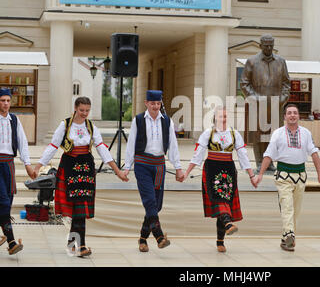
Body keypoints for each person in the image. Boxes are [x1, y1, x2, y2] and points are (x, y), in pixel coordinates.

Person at [34, 96, 128, 257]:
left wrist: (117, 171)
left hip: (86, 169)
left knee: (80, 207)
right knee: (78, 207)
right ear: (75, 108)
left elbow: (102, 149)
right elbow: (53, 146)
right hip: (69, 167)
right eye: (82, 110)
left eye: (87, 110)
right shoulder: (65, 125)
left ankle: (76, 244)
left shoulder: (91, 126)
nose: (84, 113)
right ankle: (80, 245)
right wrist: (38, 165)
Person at [180, 106, 255, 253]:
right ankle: (227, 224)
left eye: (225, 117)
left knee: (225, 200)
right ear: (215, 118)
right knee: (219, 199)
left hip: (228, 170)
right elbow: (198, 155)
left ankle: (220, 240)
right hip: (212, 170)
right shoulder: (208, 133)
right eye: (220, 116)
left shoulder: (234, 134)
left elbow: (243, 156)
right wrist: (186, 172)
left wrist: (252, 175)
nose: (223, 119)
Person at [254, 103, 320, 252]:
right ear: (285, 117)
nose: (292, 115)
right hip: (283, 176)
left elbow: (314, 153)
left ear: (299, 116)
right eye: (289, 113)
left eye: (295, 112)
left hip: (300, 176)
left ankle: (285, 238)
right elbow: (268, 154)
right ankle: (289, 236)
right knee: (287, 207)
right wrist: (260, 174)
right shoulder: (278, 133)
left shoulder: (306, 133)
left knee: (296, 210)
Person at [123, 90, 183, 252]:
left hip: (159, 165)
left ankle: (143, 238)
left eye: (158, 103)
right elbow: (131, 144)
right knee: (149, 201)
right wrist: (127, 167)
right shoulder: (138, 120)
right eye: (152, 103)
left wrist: (178, 168)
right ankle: (159, 236)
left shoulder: (167, 121)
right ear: (146, 103)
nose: (156, 106)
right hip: (142, 164)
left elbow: (172, 145)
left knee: (156, 205)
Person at [240, 34, 291, 172]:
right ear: (260, 45)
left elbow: (286, 83)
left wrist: (283, 99)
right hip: (257, 104)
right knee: (258, 135)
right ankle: (259, 162)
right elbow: (244, 83)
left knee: (273, 135)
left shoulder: (281, 61)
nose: (269, 48)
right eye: (266, 45)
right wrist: (255, 98)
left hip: (276, 104)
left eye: (271, 45)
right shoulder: (252, 61)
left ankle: (270, 163)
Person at [0, 88, 35, 255]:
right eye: (2, 100)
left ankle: (7, 237)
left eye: (7, 100)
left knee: (8, 199)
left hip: (9, 165)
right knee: (4, 202)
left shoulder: (14, 120)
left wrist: (27, 164)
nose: (5, 104)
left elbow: (22, 143)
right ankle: (12, 241)